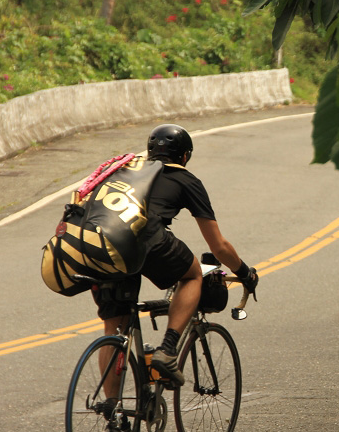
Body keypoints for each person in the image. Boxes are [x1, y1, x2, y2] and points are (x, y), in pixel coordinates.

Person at [96, 123, 258, 393]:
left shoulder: (126, 173)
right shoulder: (186, 180)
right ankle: (168, 350)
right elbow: (218, 246)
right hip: (143, 238)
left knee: (115, 330)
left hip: (100, 244)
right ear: (185, 156)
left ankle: (112, 410)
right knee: (192, 274)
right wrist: (244, 273)